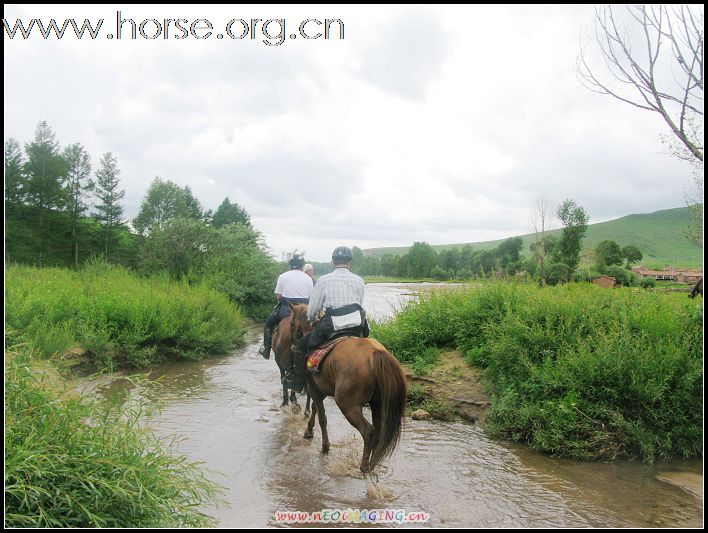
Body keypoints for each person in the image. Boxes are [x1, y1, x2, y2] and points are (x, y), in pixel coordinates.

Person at [284, 246, 368, 392]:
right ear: (350, 263)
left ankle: (298, 383)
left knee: (302, 346)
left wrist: (312, 319)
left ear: (332, 262)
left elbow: (313, 310)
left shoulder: (323, 280)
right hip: (357, 324)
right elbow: (359, 303)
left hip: (332, 324)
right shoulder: (359, 280)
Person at [258, 255, 313, 359]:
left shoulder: (283, 276)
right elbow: (311, 297)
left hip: (285, 309)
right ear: (302, 265)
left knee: (268, 324)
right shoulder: (308, 278)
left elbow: (278, 296)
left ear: (291, 264)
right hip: (303, 311)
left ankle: (266, 349)